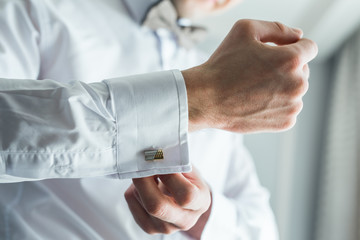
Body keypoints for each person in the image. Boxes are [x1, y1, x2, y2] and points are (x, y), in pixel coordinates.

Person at [0, 0, 317, 239]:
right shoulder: (33, 9)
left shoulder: (221, 73)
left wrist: (203, 213)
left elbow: (260, 228)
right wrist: (196, 99)